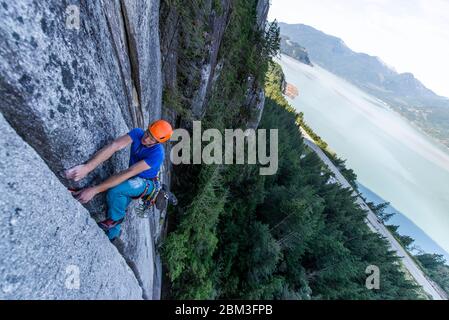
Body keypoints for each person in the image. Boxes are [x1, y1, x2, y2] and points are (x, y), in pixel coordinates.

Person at [65, 120, 173, 240]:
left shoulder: (158, 154)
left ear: (158, 142)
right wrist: (86, 167)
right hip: (133, 177)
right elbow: (114, 146)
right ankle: (113, 236)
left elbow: (130, 172)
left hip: (146, 182)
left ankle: (114, 224)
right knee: (117, 202)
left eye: (152, 139)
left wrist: (94, 190)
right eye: (148, 133)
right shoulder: (138, 133)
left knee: (115, 191)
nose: (146, 138)